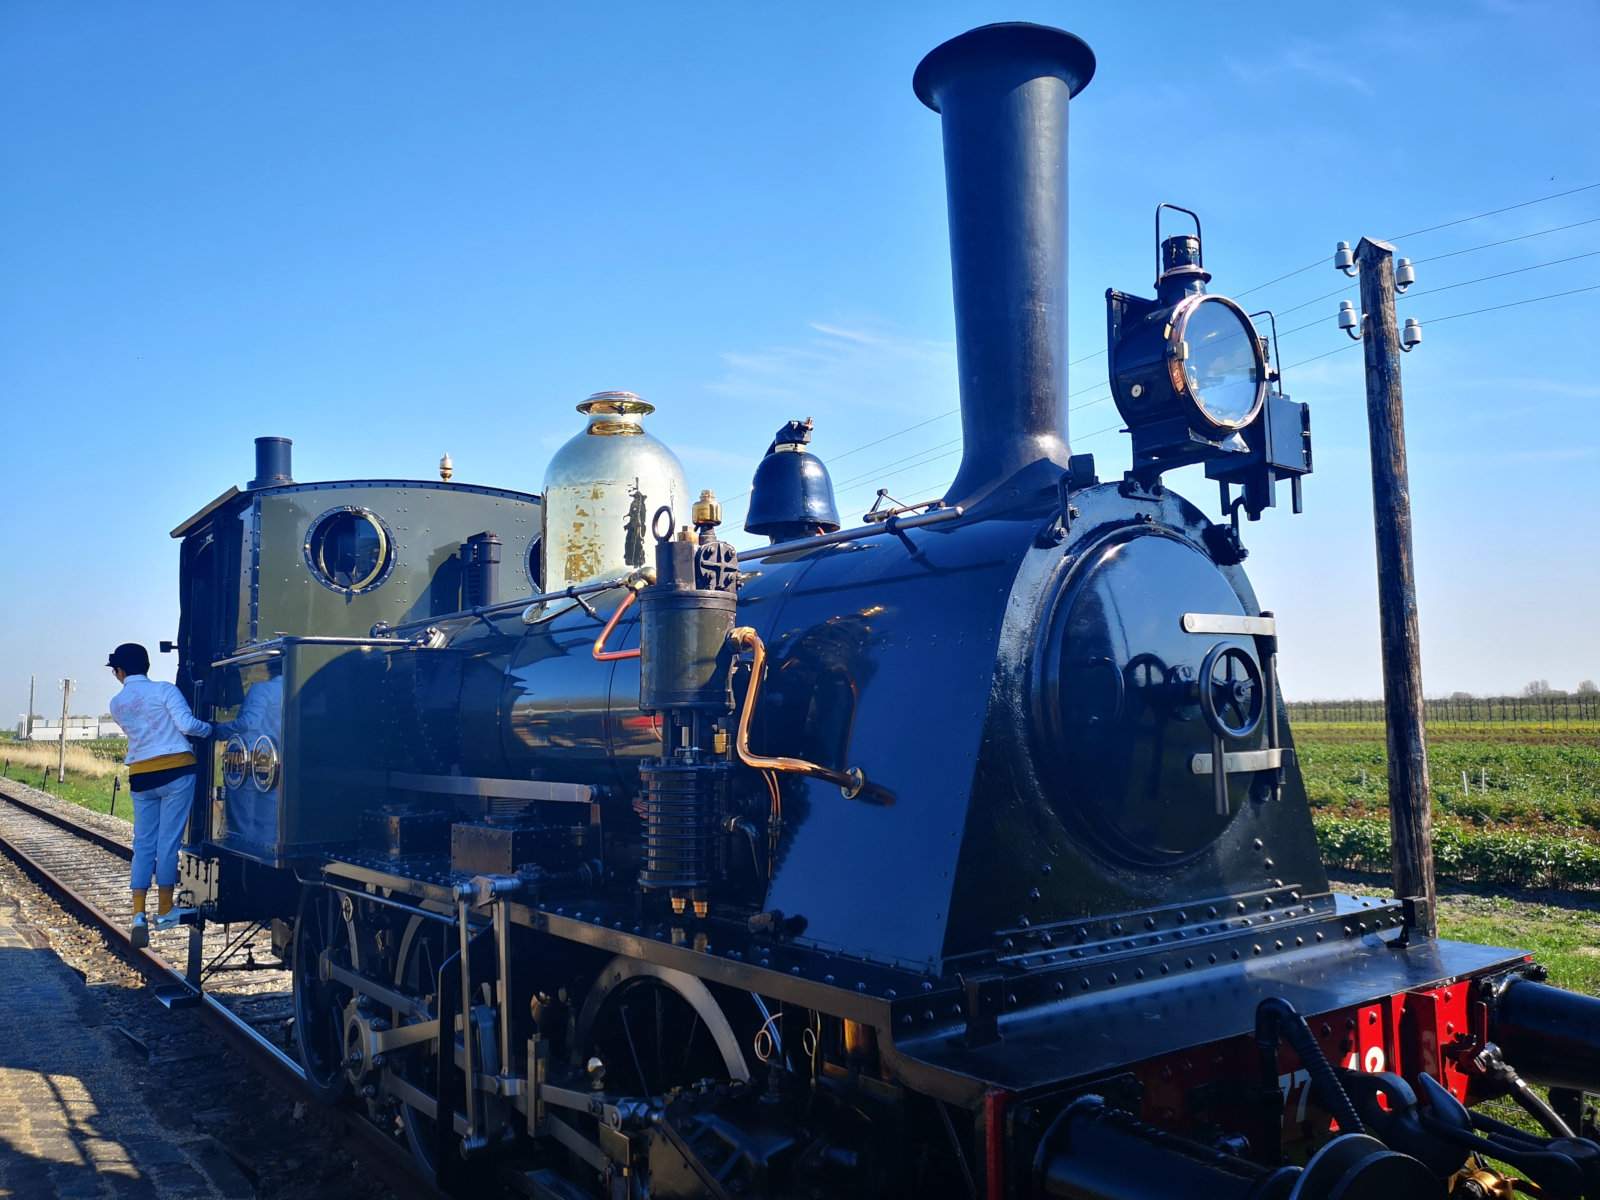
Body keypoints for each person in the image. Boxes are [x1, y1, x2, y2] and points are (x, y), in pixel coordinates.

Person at [106, 642, 213, 947]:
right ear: (148, 666)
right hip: (177, 772)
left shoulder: (116, 703)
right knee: (168, 843)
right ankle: (165, 909)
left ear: (120, 671)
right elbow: (187, 725)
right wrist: (212, 729)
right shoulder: (165, 690)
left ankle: (138, 912)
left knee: (143, 843)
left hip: (141, 775)